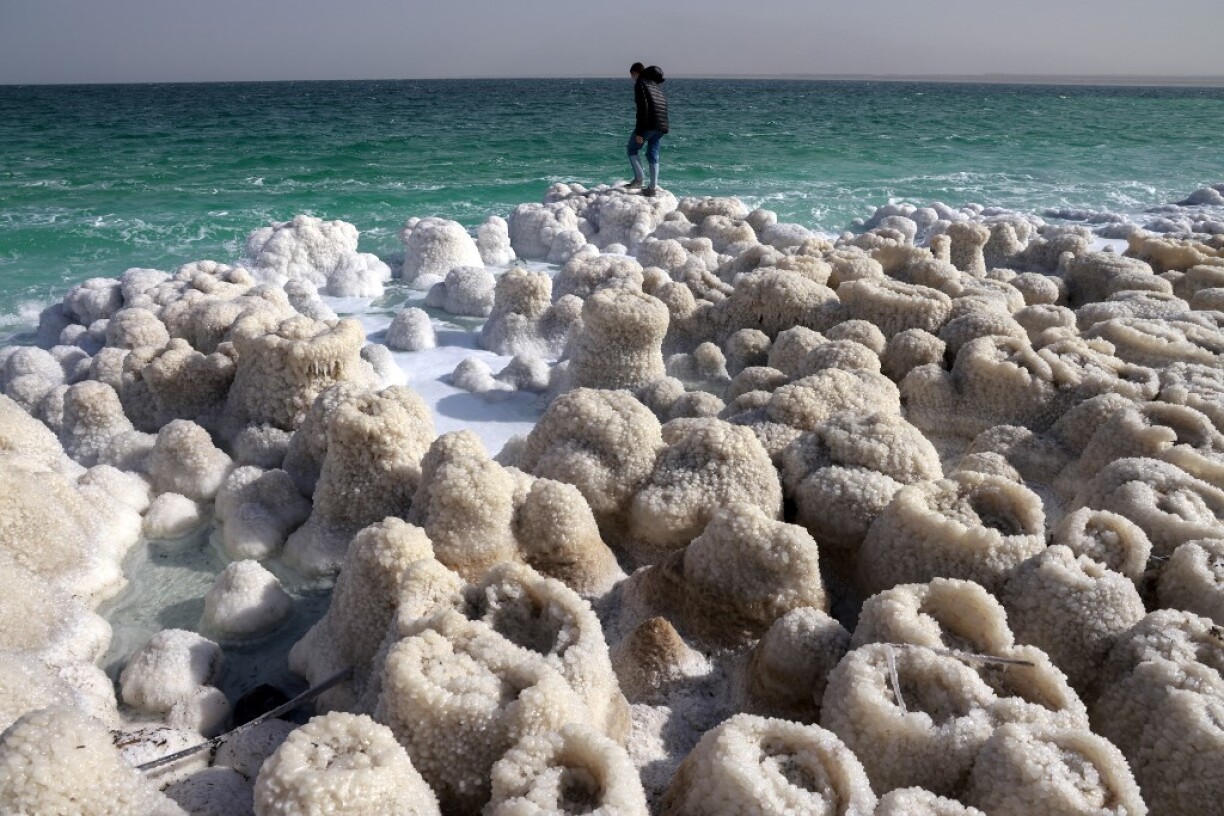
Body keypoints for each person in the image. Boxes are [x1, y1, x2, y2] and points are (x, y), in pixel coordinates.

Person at [626, 62, 668, 197]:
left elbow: (642, 108)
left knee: (632, 149)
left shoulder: (641, 83)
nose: (632, 78)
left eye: (632, 75)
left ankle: (639, 180)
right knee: (653, 155)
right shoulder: (655, 86)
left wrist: (639, 132)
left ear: (635, 72)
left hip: (648, 125)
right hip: (661, 126)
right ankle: (652, 188)